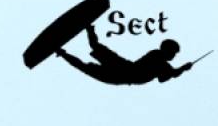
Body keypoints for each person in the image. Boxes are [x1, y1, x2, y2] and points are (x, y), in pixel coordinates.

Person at [55, 24, 195, 85]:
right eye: (173, 53)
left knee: (86, 66)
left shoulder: (162, 63)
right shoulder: (157, 57)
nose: (174, 56)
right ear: (167, 50)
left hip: (121, 73)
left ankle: (63, 53)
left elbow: (164, 78)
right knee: (94, 53)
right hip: (123, 69)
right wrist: (183, 68)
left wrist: (182, 69)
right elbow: (167, 76)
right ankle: (88, 30)